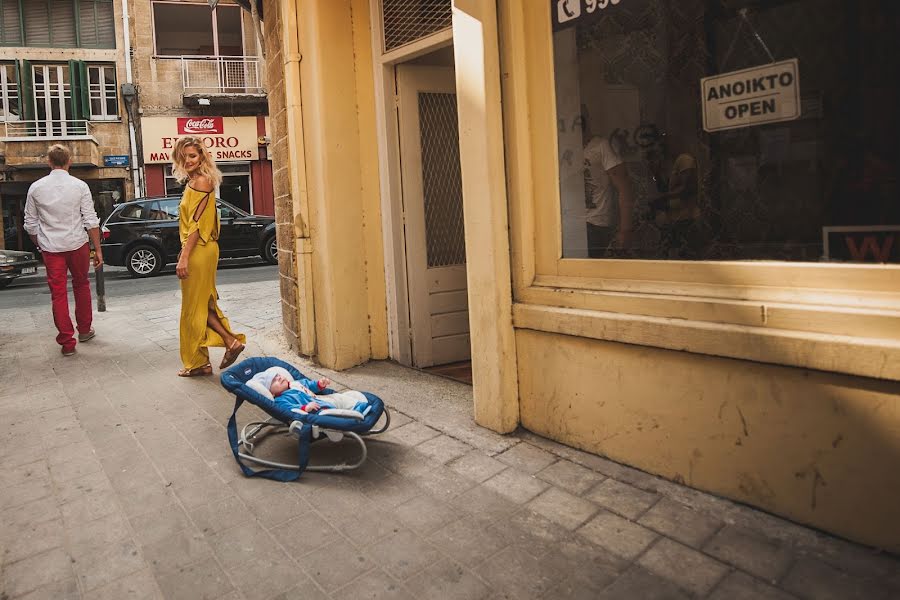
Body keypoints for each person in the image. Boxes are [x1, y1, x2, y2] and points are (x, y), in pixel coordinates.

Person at [172, 136, 246, 377]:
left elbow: (195, 226)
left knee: (194, 307)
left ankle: (221, 347)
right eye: (184, 157)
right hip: (201, 248)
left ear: (202, 156)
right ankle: (205, 360)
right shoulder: (197, 181)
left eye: (192, 155)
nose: (188, 161)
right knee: (200, 303)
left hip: (200, 248)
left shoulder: (201, 182)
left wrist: (184, 257)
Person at [24, 144, 102, 356]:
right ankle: (85, 330)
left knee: (58, 293)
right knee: (82, 284)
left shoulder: (36, 188)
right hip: (78, 244)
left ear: (49, 162)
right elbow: (90, 220)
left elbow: (30, 224)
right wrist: (98, 250)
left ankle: (67, 343)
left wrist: (40, 243)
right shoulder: (79, 186)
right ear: (69, 162)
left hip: (51, 247)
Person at [582, 116, 635, 257]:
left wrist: (625, 229)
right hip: (571, 221)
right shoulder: (564, 148)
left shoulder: (600, 146)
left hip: (595, 222)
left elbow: (624, 187)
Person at [252, 367, 371, 414]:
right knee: (330, 412)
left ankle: (358, 406)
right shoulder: (280, 399)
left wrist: (320, 384)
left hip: (320, 399)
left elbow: (310, 385)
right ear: (271, 392)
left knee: (339, 398)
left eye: (278, 375)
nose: (279, 378)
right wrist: (305, 408)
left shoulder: (295, 384)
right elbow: (289, 409)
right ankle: (353, 416)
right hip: (316, 409)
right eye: (274, 381)